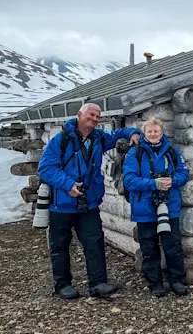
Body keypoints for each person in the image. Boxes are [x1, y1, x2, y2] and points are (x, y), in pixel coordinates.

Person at [38, 103, 140, 299]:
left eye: (97, 116)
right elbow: (45, 168)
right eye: (91, 114)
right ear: (79, 115)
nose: (94, 119)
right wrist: (68, 185)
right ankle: (63, 285)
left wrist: (133, 133)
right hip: (62, 205)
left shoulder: (99, 138)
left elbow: (119, 133)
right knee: (60, 246)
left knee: (94, 243)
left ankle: (98, 283)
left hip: (89, 203)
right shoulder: (60, 140)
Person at [122, 117, 190, 297]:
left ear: (162, 132)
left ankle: (176, 280)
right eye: (150, 131)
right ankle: (155, 282)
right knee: (149, 247)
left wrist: (172, 180)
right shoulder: (134, 154)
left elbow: (184, 174)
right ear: (144, 133)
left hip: (169, 206)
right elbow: (129, 181)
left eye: (156, 131)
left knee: (173, 245)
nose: (153, 134)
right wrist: (154, 183)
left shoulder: (172, 152)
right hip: (145, 208)